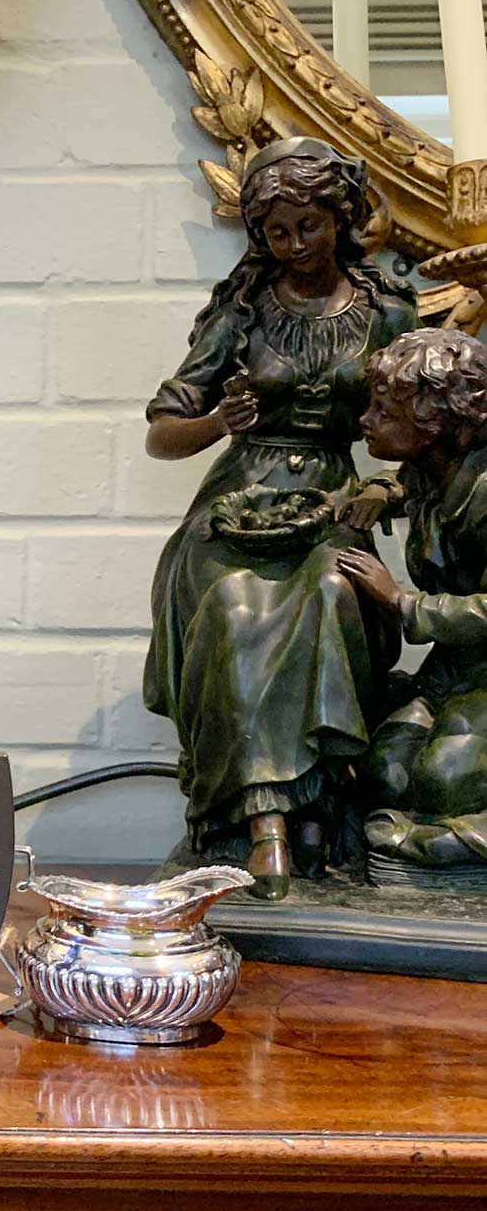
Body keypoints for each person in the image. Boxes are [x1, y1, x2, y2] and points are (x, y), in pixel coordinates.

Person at [143, 136, 417, 899]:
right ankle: (263, 820)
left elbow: (425, 436)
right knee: (232, 609)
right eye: (276, 232)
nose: (295, 245)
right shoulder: (242, 313)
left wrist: (385, 491)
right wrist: (217, 424)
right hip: (235, 501)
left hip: (332, 499)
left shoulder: (387, 313)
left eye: (310, 226)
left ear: (341, 218)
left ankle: (319, 808)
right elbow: (163, 434)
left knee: (333, 591)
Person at [337, 328, 487, 877]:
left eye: (384, 411)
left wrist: (402, 603)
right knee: (388, 773)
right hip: (457, 666)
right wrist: (381, 490)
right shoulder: (432, 469)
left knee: (446, 781)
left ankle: (448, 846)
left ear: (435, 424)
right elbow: (410, 484)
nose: (366, 420)